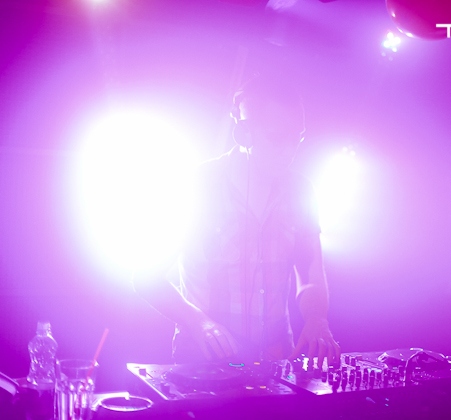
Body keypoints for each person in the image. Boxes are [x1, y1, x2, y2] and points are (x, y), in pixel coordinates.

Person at [134, 75, 341, 366]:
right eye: (278, 137)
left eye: (297, 138)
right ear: (244, 134)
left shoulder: (301, 191)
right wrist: (198, 323)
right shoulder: (197, 186)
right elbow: (146, 277)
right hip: (203, 363)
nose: (290, 150)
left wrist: (317, 318)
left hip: (276, 359)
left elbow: (309, 274)